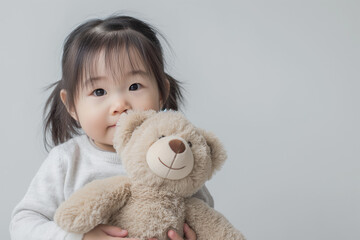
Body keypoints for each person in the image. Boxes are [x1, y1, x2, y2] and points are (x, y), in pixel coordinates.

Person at [9, 15, 214, 240]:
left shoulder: (176, 158)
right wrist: (81, 237)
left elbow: (204, 216)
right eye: (99, 92)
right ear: (71, 105)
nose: (119, 105)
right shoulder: (68, 161)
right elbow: (22, 224)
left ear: (162, 93)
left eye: (134, 86)